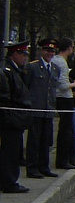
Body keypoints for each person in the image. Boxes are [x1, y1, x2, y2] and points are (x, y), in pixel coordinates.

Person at [0, 41, 35, 193]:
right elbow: (6, 97)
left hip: (16, 118)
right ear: (15, 54)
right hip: (11, 119)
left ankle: (9, 180)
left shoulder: (16, 71)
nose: (25, 58)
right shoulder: (7, 71)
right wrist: (11, 117)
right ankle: (9, 181)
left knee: (13, 151)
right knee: (10, 151)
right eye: (23, 55)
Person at [25, 39, 59, 178]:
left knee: (46, 140)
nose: (49, 53)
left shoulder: (55, 68)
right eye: (47, 50)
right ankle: (32, 168)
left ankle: (44, 167)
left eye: (52, 51)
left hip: (48, 109)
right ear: (41, 51)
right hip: (36, 109)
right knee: (34, 141)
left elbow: (52, 89)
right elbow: (26, 87)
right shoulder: (32, 67)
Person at [52, 38, 75, 170]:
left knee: (66, 130)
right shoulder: (61, 63)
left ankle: (65, 159)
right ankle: (63, 160)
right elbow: (62, 84)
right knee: (66, 130)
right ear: (69, 48)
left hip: (59, 97)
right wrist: (74, 84)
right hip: (64, 98)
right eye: (72, 47)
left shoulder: (56, 60)